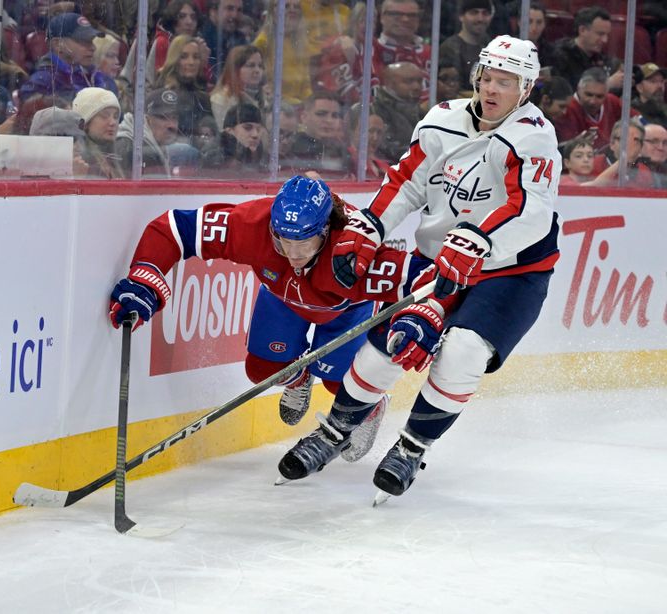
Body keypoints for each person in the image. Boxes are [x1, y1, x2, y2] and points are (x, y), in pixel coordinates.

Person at [280, 35, 561, 500]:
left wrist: (479, 238)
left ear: (525, 90)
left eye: (505, 83)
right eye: (487, 78)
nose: (491, 90)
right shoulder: (442, 121)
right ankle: (335, 431)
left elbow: (530, 209)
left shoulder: (532, 136)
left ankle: (412, 447)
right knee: (387, 345)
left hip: (511, 271)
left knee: (464, 351)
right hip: (437, 260)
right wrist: (372, 225)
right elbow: (406, 183)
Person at [108, 175, 449, 458]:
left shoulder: (353, 250)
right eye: (282, 240)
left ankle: (371, 408)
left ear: (326, 231)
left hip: (346, 311)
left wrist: (424, 317)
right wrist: (145, 277)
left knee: (339, 385)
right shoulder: (251, 226)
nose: (292, 254)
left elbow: (428, 279)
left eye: (304, 242)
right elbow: (172, 229)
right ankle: (298, 380)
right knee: (261, 369)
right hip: (282, 299)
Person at [18, 12, 117, 104]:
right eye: (83, 41)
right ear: (57, 44)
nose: (93, 47)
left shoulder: (98, 79)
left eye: (91, 41)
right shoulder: (42, 83)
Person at [550, 6, 615, 90]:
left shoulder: (601, 58)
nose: (605, 40)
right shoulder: (560, 56)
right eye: (600, 34)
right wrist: (607, 84)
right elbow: (564, 92)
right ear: (582, 30)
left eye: (607, 35)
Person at [439, 0, 493, 95]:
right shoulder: (450, 48)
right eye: (474, 13)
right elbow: (452, 90)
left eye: (485, 13)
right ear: (461, 16)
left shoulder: (491, 46)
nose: (480, 18)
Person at [72, 86, 125, 179]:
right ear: (85, 122)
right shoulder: (78, 160)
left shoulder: (118, 157)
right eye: (105, 116)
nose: (113, 122)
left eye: (116, 116)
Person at [641, 122, 667, 188]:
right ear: (640, 144)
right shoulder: (628, 168)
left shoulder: (664, 171)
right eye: (654, 141)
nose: (660, 147)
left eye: (665, 143)